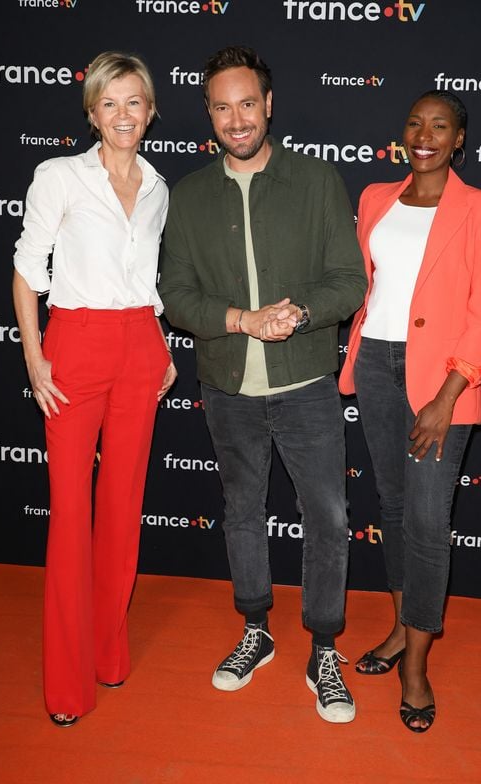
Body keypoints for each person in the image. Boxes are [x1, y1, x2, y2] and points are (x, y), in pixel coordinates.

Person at [160, 45, 366, 723]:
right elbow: (177, 297)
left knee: (329, 518)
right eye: (222, 106)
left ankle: (325, 647)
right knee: (241, 512)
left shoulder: (315, 179)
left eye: (247, 103)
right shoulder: (187, 197)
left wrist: (299, 313)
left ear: (269, 105)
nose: (236, 118)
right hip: (226, 389)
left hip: (305, 382)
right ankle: (256, 630)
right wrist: (242, 319)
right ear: (209, 115)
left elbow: (349, 280)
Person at [12, 51, 177, 727]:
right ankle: (67, 684)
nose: (123, 115)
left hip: (141, 346)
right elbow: (28, 269)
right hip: (73, 348)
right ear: (91, 112)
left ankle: (109, 653)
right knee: (72, 515)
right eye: (109, 103)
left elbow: (144, 277)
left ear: (151, 110)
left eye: (134, 102)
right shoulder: (59, 176)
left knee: (121, 510)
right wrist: (34, 357)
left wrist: (159, 341)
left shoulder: (160, 185)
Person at [339, 90, 481, 732]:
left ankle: (415, 664)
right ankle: (398, 628)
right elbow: (365, 286)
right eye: (415, 123)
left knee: (429, 520)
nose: (425, 133)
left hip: (441, 378)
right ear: (402, 133)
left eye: (440, 125)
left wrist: (448, 393)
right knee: (392, 506)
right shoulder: (375, 198)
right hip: (377, 365)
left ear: (460, 137)